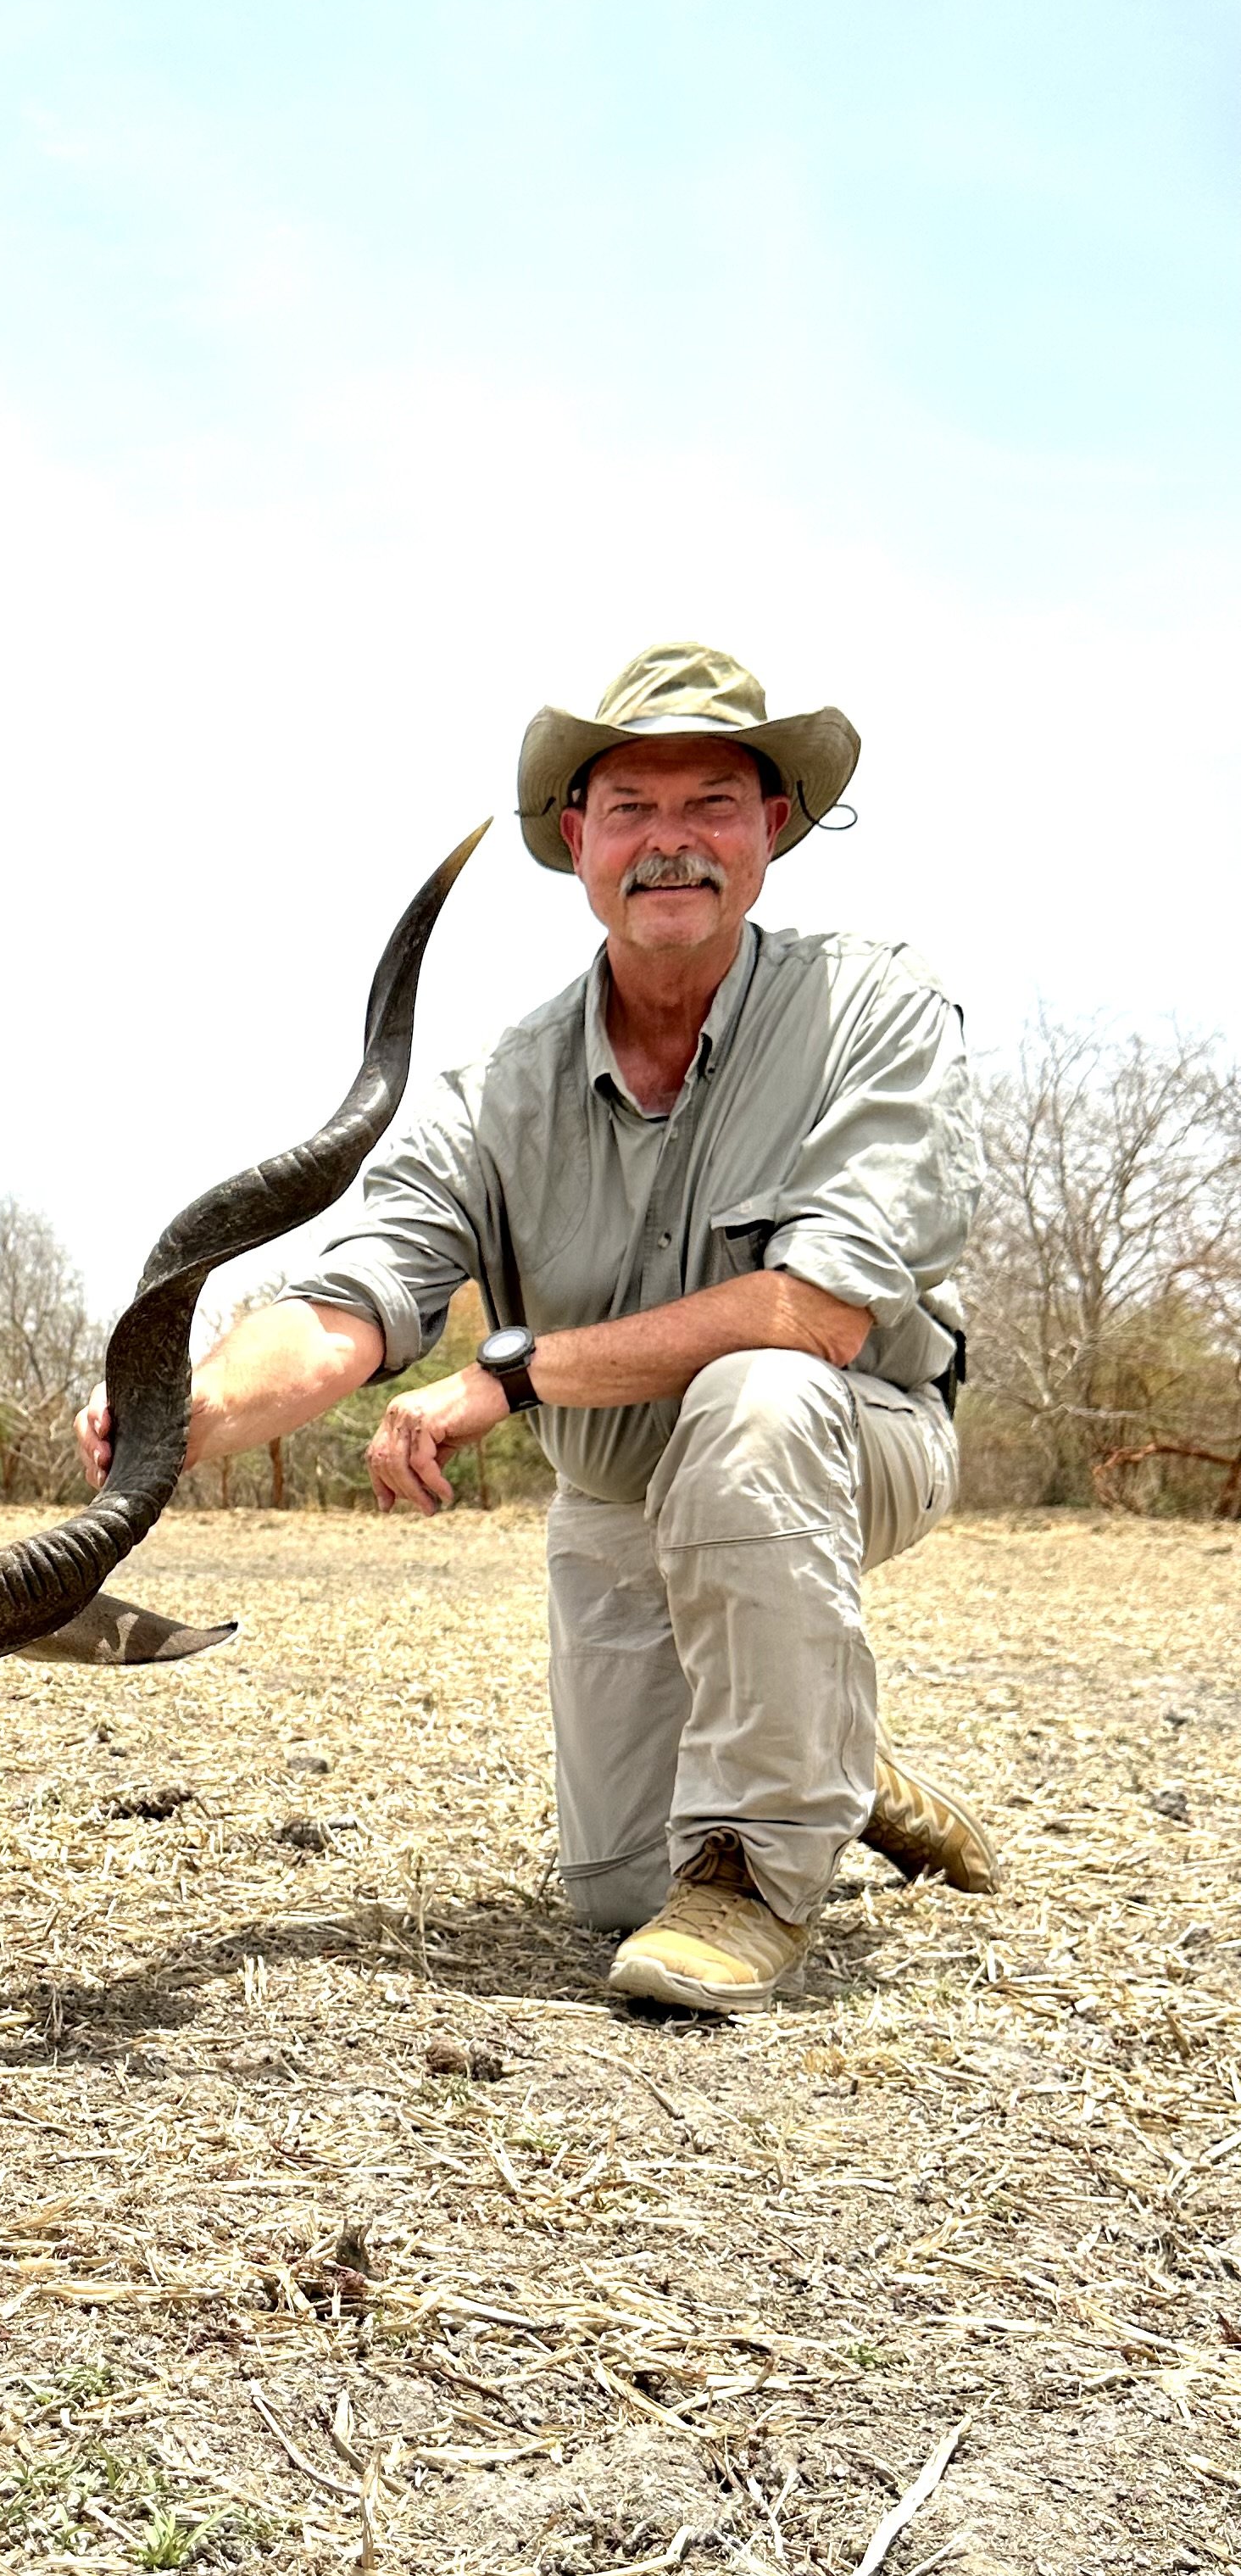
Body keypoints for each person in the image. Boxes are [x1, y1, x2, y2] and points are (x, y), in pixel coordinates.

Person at [79, 641, 995, 2016]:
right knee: (621, 1888)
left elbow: (817, 1311)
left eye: (714, 804)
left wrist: (509, 1374)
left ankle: (756, 1868)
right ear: (577, 839)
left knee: (758, 1391)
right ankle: (833, 1771)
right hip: (621, 1490)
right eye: (632, 805)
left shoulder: (873, 1006)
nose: (670, 842)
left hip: (849, 1437)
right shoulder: (493, 1088)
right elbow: (353, 1297)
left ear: (776, 830)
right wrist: (199, 1411)